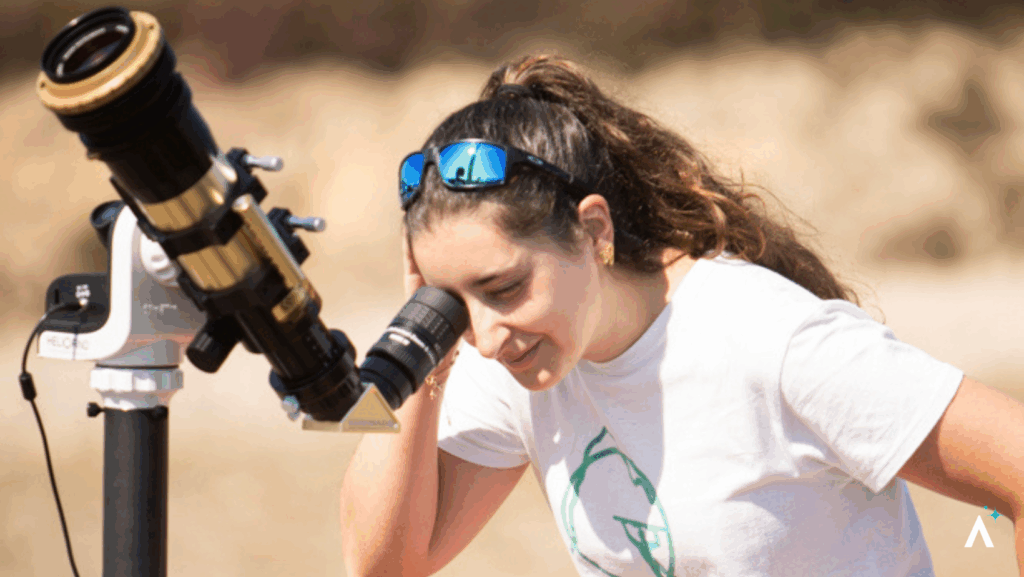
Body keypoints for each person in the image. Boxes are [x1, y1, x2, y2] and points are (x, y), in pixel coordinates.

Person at [340, 54, 1024, 577]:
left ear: (593, 230)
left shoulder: (767, 339)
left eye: (505, 285)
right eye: (455, 301)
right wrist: (422, 350)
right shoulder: (523, 359)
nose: (486, 336)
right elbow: (386, 564)